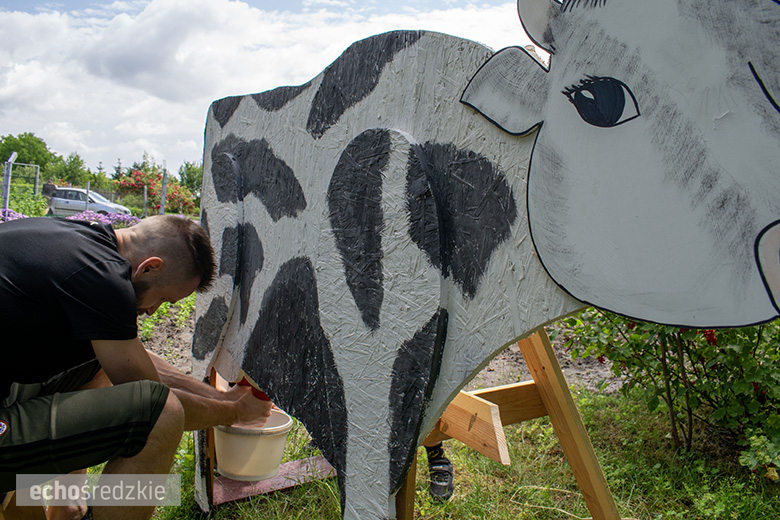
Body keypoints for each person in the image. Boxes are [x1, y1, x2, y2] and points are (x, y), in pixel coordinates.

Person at [0, 215, 272, 520]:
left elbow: (128, 358)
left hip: (10, 395)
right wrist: (236, 413)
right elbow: (153, 399)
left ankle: (64, 502)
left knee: (96, 368)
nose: (152, 310)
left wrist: (222, 397)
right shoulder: (104, 278)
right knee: (161, 416)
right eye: (165, 299)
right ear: (150, 267)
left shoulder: (73, 241)